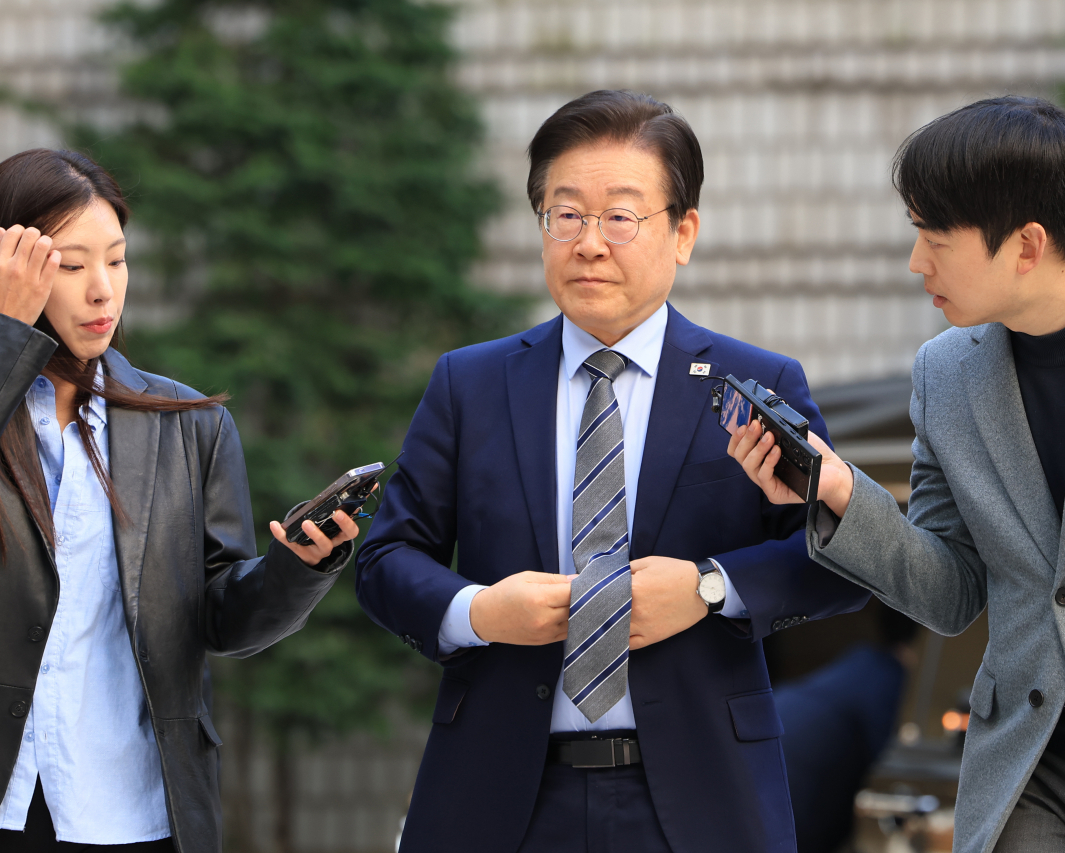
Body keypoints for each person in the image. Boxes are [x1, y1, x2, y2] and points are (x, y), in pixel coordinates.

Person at [355, 89, 869, 853]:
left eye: (620, 216)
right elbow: (387, 559)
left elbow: (838, 565)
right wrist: (479, 611)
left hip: (701, 799)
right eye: (566, 214)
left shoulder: (754, 382)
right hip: (501, 795)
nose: (589, 242)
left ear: (683, 231)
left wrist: (708, 587)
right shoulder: (471, 384)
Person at [730, 95, 1065, 853]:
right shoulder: (945, 373)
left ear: (1027, 244)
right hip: (1028, 770)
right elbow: (950, 591)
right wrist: (837, 492)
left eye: (934, 237)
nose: (916, 263)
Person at [0, 149, 361, 853]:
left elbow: (217, 617)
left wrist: (296, 566)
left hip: (135, 811)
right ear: (5, 270)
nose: (102, 291)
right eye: (72, 263)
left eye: (116, 260)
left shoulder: (187, 423)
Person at [774, 602, 919, 853]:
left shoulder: (859, 663)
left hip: (772, 753)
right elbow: (881, 758)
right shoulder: (885, 673)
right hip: (797, 779)